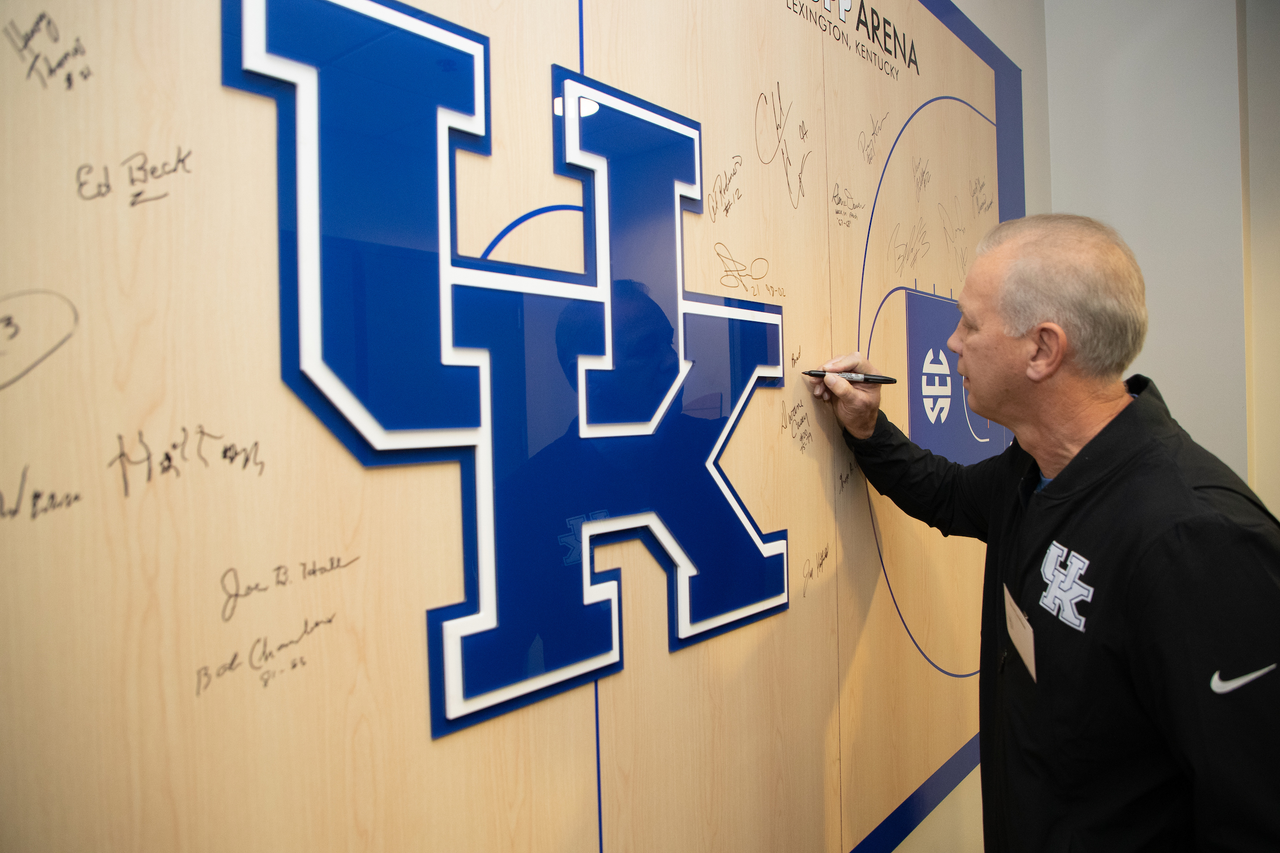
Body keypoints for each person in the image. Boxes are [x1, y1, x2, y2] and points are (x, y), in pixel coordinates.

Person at [806, 214, 1280, 851]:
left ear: (1042, 350)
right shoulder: (1035, 469)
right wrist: (867, 428)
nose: (952, 343)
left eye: (971, 323)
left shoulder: (1195, 538)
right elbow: (945, 494)